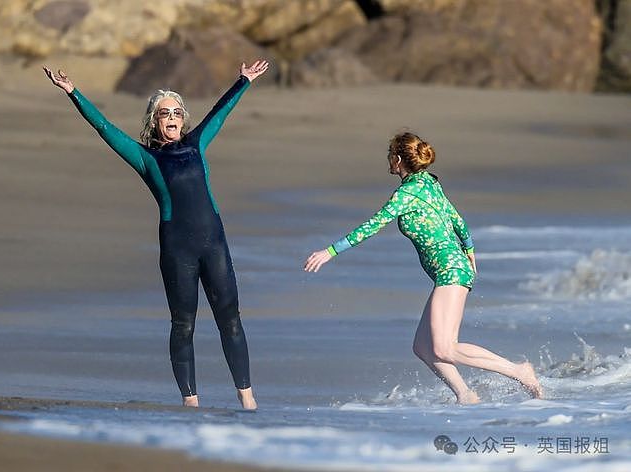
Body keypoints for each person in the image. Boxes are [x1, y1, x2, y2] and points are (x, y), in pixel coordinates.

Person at [44, 60, 269, 409]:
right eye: (165, 113)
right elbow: (105, 128)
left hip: (214, 245)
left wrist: (244, 81)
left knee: (231, 320)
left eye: (178, 112)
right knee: (183, 326)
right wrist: (73, 92)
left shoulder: (197, 143)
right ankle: (190, 403)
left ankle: (248, 400)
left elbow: (220, 113)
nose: (173, 117)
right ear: (155, 121)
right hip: (178, 251)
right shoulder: (145, 158)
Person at [304, 132, 542, 404]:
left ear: (397, 159)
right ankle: (466, 395)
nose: (388, 161)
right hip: (453, 268)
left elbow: (372, 226)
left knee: (444, 348)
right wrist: (470, 252)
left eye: (390, 155)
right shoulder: (429, 183)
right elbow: (459, 222)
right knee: (423, 348)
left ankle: (519, 371)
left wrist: (330, 251)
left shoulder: (405, 194)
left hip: (450, 271)